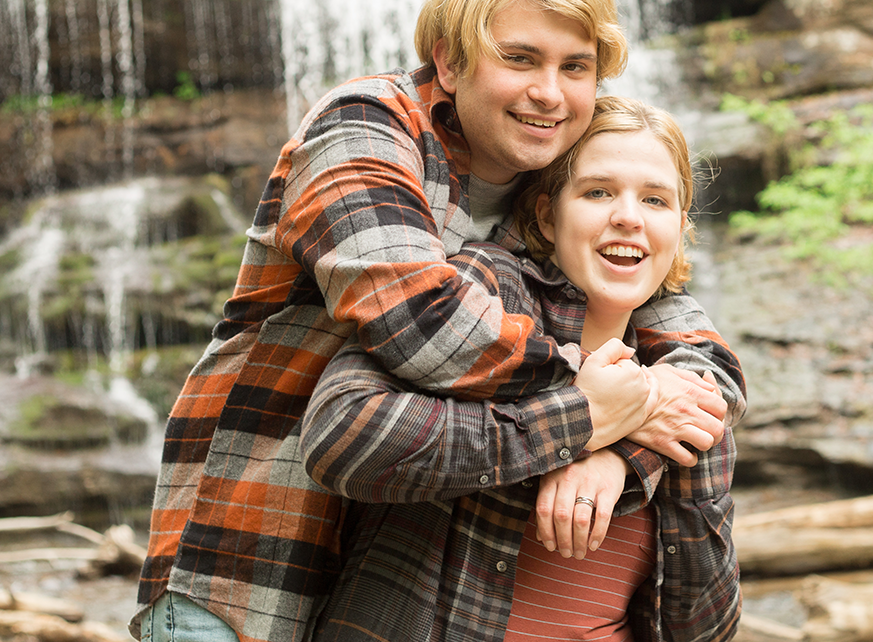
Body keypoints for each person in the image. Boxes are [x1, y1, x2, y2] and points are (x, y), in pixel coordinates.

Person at [131, 0, 742, 642]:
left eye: (575, 67)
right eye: (520, 58)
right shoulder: (365, 129)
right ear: (449, 61)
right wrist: (608, 406)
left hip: (389, 560)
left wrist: (624, 441)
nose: (549, 91)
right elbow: (426, 326)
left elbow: (684, 335)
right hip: (250, 554)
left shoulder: (542, 181)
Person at [301, 96, 742, 641]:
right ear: (547, 215)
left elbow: (703, 629)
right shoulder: (479, 296)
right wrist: (580, 422)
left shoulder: (686, 381)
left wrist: (624, 457)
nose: (628, 216)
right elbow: (343, 436)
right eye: (598, 191)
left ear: (678, 227)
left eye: (655, 200)